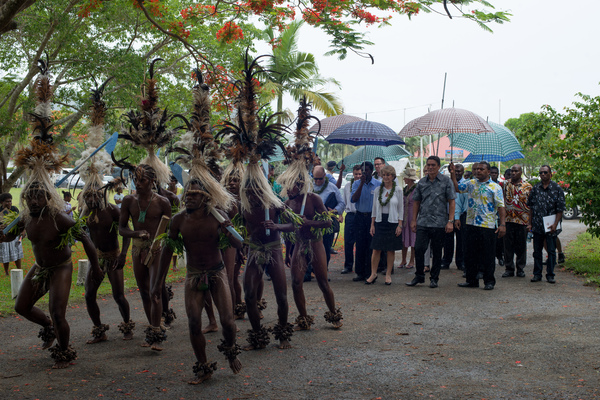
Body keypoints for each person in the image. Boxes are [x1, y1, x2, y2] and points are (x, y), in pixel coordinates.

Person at [155, 180, 242, 384]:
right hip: (194, 274)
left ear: (205, 197)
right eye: (188, 194)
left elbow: (238, 244)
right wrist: (158, 281)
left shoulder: (218, 216)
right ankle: (203, 367)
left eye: (194, 194)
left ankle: (230, 351)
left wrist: (229, 231)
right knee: (194, 323)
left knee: (228, 322)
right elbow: (167, 250)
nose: (189, 197)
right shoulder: (178, 220)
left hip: (217, 272)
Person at [119, 165, 172, 350]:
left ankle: (157, 334)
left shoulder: (162, 202)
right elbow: (121, 229)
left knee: (155, 291)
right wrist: (136, 233)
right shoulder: (128, 201)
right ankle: (153, 330)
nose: (138, 183)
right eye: (136, 179)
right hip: (137, 249)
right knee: (144, 293)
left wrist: (161, 246)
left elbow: (169, 229)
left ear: (152, 181)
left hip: (156, 249)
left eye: (142, 180)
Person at [285, 180, 343, 330]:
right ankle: (303, 319)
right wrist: (287, 253)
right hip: (299, 244)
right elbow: (288, 231)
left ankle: (333, 314)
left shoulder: (313, 199)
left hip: (315, 243)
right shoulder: (288, 203)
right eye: (286, 185)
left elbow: (328, 222)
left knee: (323, 282)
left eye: (291, 185)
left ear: (299, 185)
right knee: (296, 282)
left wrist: (309, 222)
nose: (288, 189)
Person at [242, 187, 294, 350]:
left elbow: (293, 224)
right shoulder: (243, 206)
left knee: (281, 295)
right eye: (248, 192)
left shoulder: (275, 204)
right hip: (255, 248)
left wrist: (277, 227)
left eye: (255, 192)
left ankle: (283, 335)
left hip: (274, 248)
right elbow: (242, 227)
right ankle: (258, 337)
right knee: (250, 294)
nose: (252, 196)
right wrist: (242, 243)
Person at [82, 185, 133, 343]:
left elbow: (126, 231)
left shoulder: (112, 210)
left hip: (113, 256)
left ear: (102, 196)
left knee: (118, 295)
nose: (91, 200)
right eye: (88, 196)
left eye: (95, 196)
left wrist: (123, 254)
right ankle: (99, 331)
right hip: (97, 258)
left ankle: (127, 326)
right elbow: (82, 235)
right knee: (89, 295)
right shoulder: (85, 213)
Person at [450, 161, 506, 290]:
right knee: (470, 254)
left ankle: (489, 281)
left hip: (487, 225)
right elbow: (456, 188)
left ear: (488, 171)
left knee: (487, 255)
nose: (477, 171)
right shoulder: (470, 184)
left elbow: (501, 207)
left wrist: (502, 224)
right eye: (476, 169)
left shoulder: (495, 187)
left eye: (481, 169)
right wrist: (452, 174)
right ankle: (471, 280)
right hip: (471, 223)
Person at [406, 156, 455, 289]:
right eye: (428, 165)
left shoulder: (446, 181)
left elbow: (451, 201)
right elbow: (416, 201)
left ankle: (434, 278)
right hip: (423, 222)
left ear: (439, 167)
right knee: (419, 249)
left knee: (437, 252)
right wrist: (413, 220)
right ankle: (419, 276)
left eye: (433, 165)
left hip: (439, 223)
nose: (430, 167)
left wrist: (450, 221)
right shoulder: (422, 182)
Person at [527, 165, 565, 284]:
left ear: (550, 174)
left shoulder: (557, 188)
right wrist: (529, 223)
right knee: (537, 251)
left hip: (551, 225)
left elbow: (560, 209)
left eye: (545, 172)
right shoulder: (535, 188)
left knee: (551, 251)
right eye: (541, 173)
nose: (543, 174)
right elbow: (531, 207)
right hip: (537, 225)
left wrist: (555, 224)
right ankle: (537, 274)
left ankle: (550, 274)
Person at [367, 165, 403, 285]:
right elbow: (373, 208)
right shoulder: (378, 190)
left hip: (392, 221)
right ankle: (373, 273)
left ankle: (388, 274)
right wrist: (372, 224)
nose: (386, 177)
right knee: (376, 249)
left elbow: (401, 209)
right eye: (384, 175)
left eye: (388, 175)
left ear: (393, 176)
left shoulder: (398, 190)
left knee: (390, 250)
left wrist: (400, 225)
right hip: (379, 221)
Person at [350, 161, 380, 282]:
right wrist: (361, 184)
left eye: (366, 170)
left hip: (372, 218)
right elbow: (353, 199)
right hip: (360, 217)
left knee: (371, 245)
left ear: (371, 171)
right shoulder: (356, 183)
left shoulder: (378, 184)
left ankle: (370, 272)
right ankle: (360, 272)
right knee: (360, 244)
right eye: (363, 171)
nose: (364, 173)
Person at [502, 164, 532, 278]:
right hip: (508, 220)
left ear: (521, 172)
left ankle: (520, 269)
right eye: (512, 171)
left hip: (522, 221)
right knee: (507, 246)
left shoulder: (528, 187)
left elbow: (531, 205)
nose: (513, 173)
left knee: (521, 246)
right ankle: (509, 268)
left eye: (516, 171)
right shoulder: (505, 184)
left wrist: (530, 223)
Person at [311, 165, 344, 269]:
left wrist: (334, 211)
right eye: (315, 178)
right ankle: (311, 271)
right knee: (311, 248)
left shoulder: (332, 187)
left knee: (325, 248)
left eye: (320, 178)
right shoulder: (309, 187)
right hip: (312, 223)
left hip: (327, 223)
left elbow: (342, 203)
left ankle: (323, 270)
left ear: (325, 176)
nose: (317, 181)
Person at [341, 165, 361, 274]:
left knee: (360, 242)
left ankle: (359, 266)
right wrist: (340, 214)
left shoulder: (363, 186)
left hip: (360, 215)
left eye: (359, 174)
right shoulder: (348, 186)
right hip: (350, 215)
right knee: (348, 241)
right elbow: (344, 201)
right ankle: (348, 265)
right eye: (356, 174)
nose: (357, 176)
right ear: (353, 174)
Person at [1, 193, 23, 276]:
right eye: (7, 201)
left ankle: (19, 269)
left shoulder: (14, 209)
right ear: (2, 202)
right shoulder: (0, 211)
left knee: (17, 252)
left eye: (10, 201)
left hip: (14, 234)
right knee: (5, 253)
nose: (9, 203)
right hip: (5, 236)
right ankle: (6, 272)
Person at [400, 168, 418, 270]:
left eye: (405, 177)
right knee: (404, 239)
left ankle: (412, 260)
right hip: (404, 216)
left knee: (413, 239)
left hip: (412, 215)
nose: (404, 179)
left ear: (409, 179)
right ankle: (403, 259)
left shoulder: (416, 189)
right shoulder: (405, 189)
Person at [490, 166, 505, 267]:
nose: (493, 174)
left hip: (498, 216)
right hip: (490, 217)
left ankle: (500, 256)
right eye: (492, 172)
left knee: (499, 240)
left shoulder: (500, 185)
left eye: (495, 173)